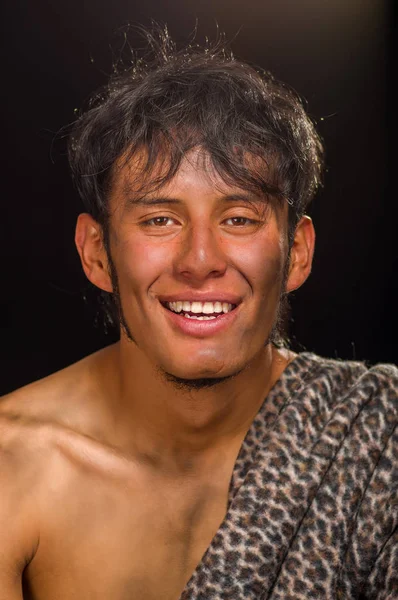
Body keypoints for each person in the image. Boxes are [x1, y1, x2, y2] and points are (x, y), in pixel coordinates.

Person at [0, 28, 397, 600]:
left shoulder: (376, 441)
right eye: (160, 219)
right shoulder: (14, 465)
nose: (200, 261)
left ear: (297, 253)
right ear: (95, 253)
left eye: (239, 218)